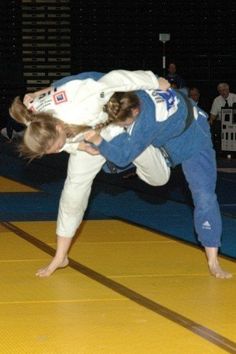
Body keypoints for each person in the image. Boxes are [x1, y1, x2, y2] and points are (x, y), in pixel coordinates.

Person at [10, 73, 231, 279]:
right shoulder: (33, 118)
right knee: (74, 188)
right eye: (54, 151)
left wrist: (154, 80)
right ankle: (60, 256)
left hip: (109, 124)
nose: (59, 151)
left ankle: (131, 153)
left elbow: (110, 78)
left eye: (58, 146)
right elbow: (59, 86)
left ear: (58, 127)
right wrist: (40, 96)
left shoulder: (81, 100)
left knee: (155, 176)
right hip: (87, 136)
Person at [81, 89, 232, 280]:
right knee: (109, 163)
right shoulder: (133, 94)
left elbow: (122, 158)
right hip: (165, 139)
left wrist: (99, 142)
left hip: (194, 138)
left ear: (135, 112)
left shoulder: (145, 123)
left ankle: (213, 261)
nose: (125, 125)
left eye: (126, 122)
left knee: (204, 196)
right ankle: (111, 154)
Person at [209, 82, 236, 152]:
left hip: (234, 121)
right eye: (220, 91)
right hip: (222, 122)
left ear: (228, 89)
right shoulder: (216, 100)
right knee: (213, 127)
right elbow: (213, 115)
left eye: (224, 90)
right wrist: (210, 120)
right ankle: (220, 150)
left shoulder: (235, 97)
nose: (222, 92)